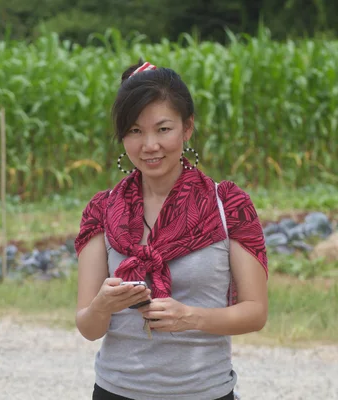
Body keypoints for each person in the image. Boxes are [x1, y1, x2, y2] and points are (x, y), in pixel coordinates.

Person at [74, 60, 269, 400]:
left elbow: (255, 313)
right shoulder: (101, 211)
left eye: (163, 129)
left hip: (205, 392)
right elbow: (88, 327)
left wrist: (190, 317)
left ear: (187, 128)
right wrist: (102, 306)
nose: (149, 145)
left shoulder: (228, 206)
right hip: (115, 391)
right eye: (135, 131)